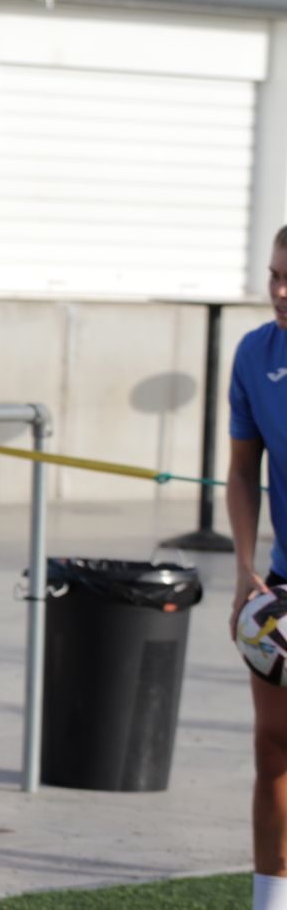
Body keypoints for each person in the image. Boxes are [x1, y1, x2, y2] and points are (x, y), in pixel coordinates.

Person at [228, 225, 287, 910]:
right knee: (274, 749)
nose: (278, 290)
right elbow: (244, 472)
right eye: (273, 274)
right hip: (281, 585)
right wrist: (246, 569)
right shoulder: (255, 352)